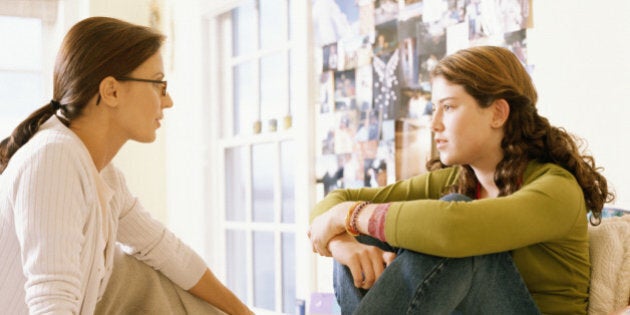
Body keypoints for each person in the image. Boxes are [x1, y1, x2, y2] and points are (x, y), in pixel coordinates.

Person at [308, 46, 614, 314]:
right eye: (433, 109)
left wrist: (348, 215)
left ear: (497, 113)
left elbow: (453, 227)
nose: (434, 124)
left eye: (448, 107)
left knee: (455, 235)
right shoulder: (455, 179)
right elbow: (331, 204)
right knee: (363, 233)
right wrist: (341, 242)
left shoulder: (556, 188)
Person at [0, 17, 252, 315]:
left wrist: (243, 313)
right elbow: (51, 304)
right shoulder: (54, 158)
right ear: (112, 91)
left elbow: (165, 249)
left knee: (151, 276)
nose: (168, 101)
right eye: (159, 84)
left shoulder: (102, 172)